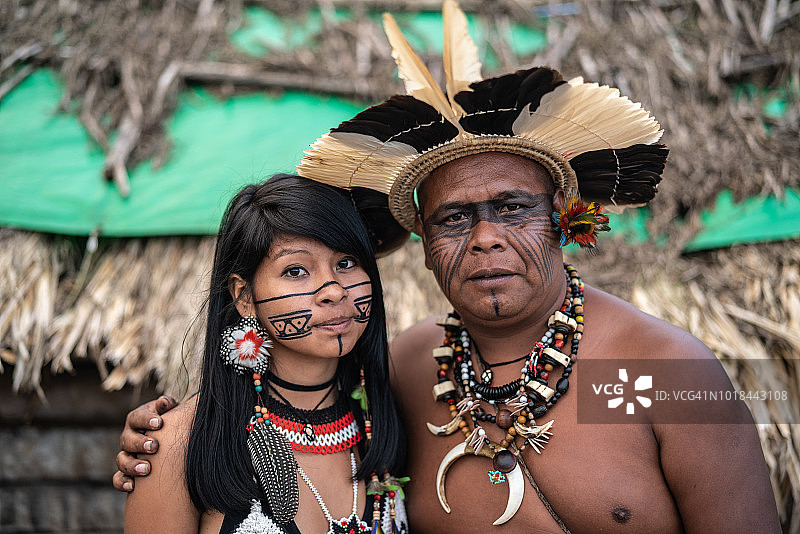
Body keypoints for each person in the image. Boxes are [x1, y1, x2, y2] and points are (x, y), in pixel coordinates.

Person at [116, 2, 780, 532]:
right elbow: (279, 394)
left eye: (512, 208)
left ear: (562, 212)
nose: (486, 239)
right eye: (455, 219)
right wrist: (164, 439)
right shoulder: (404, 372)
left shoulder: (654, 375)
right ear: (424, 239)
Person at [123, 174, 408, 533]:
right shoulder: (179, 444)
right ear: (244, 297)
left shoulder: (391, 418)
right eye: (296, 270)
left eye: (347, 263)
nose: (334, 291)